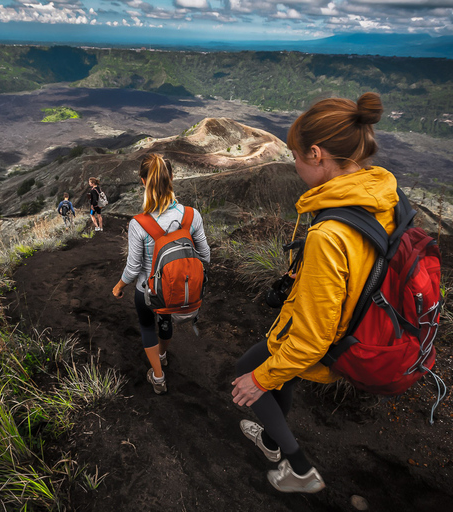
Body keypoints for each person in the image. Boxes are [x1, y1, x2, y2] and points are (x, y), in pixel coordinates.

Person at [231, 92, 393, 493]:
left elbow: (311, 339)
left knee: (248, 373)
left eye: (296, 156)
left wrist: (260, 379)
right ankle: (270, 440)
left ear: (317, 155)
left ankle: (299, 468)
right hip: (359, 323)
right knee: (281, 380)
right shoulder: (380, 197)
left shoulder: (328, 234)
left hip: (321, 335)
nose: (295, 164)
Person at [111, 154, 210, 394]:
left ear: (143, 181)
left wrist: (118, 286)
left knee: (147, 327)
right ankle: (163, 354)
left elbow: (134, 268)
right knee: (166, 321)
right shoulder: (191, 215)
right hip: (175, 290)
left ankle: (158, 376)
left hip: (147, 291)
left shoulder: (138, 223)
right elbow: (205, 256)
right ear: (172, 178)